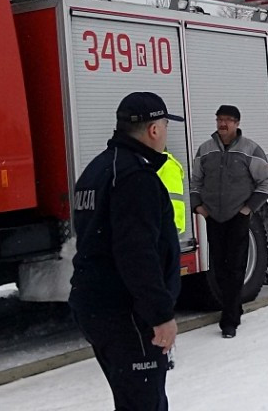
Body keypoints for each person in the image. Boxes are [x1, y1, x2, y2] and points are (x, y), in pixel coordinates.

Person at [69, 92, 183, 411]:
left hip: (99, 307)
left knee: (133, 400)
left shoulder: (99, 169)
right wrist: (160, 315)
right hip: (126, 314)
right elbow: (137, 253)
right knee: (144, 405)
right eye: (164, 125)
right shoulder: (135, 177)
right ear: (154, 130)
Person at [190, 105, 268, 338]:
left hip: (239, 218)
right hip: (213, 217)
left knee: (236, 268)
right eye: (219, 119)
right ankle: (234, 306)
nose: (222, 124)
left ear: (237, 123)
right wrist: (198, 206)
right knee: (219, 269)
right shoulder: (205, 150)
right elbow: (195, 181)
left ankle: (229, 321)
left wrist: (248, 209)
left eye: (228, 120)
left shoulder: (250, 150)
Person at [158, 149, 186, 234]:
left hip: (168, 223)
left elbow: (172, 199)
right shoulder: (167, 164)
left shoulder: (165, 165)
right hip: (171, 222)